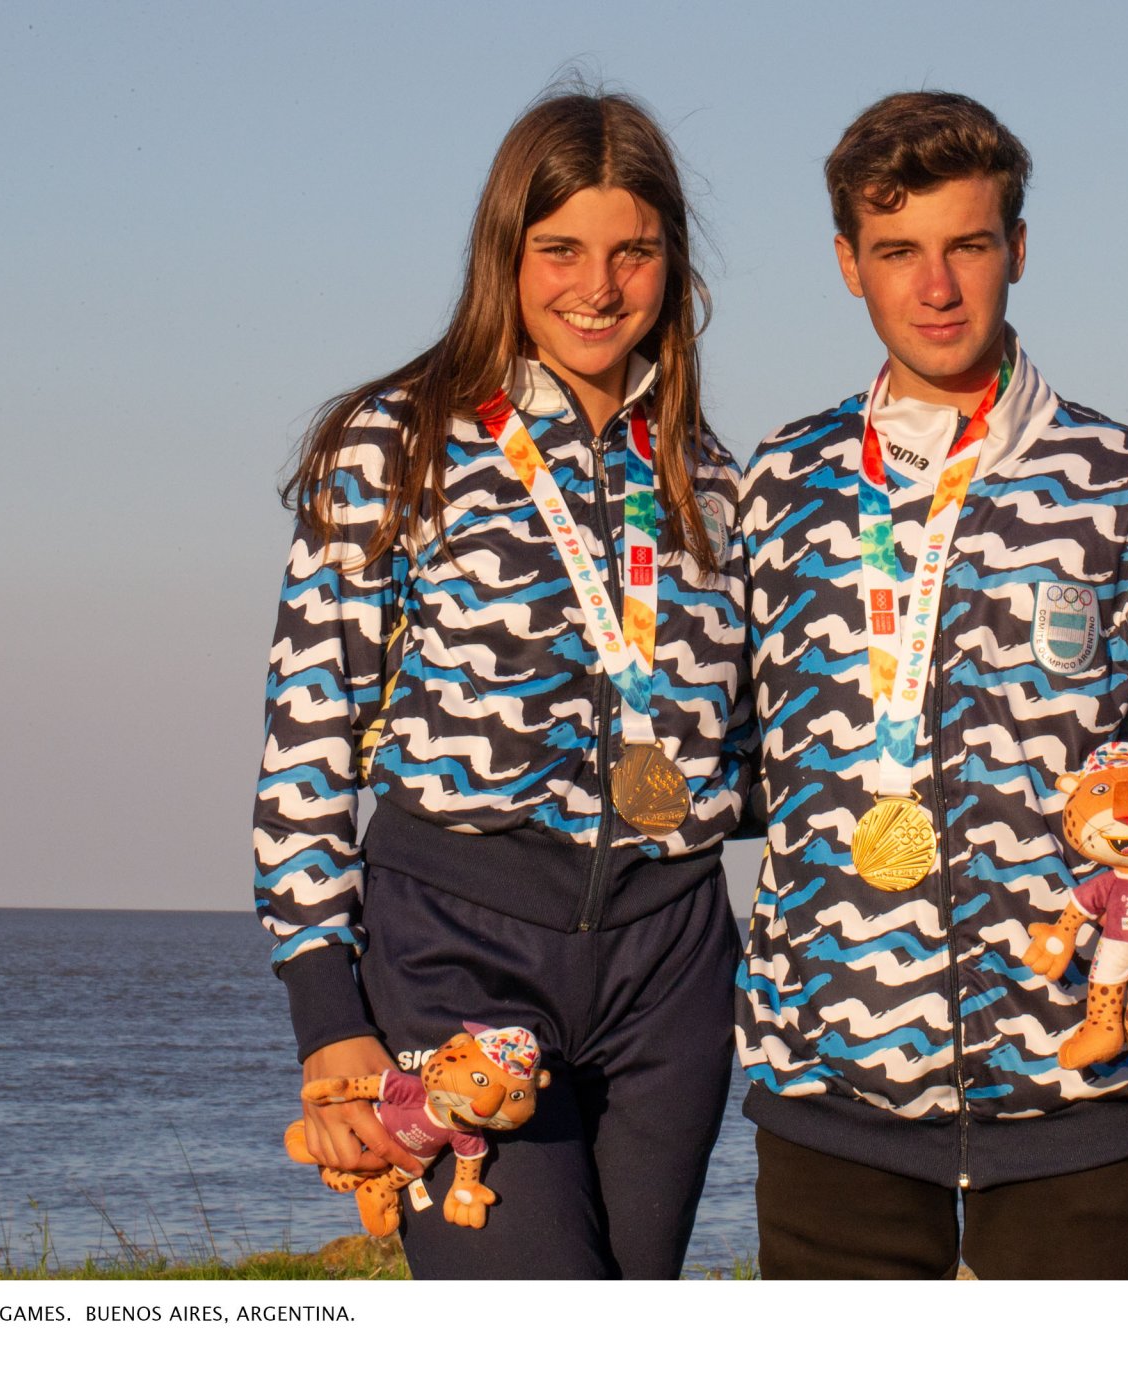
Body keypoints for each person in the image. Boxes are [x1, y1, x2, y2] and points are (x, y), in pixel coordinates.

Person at [735, 91, 1128, 1279]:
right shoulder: (781, 485)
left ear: (1017, 249)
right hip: (830, 1094)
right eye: (898, 253)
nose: (937, 288)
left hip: (1082, 1084)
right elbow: (722, 757)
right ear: (846, 266)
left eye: (968, 245)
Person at [253, 89, 751, 1280]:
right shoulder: (395, 442)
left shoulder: (709, 475)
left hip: (670, 967)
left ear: (671, 265)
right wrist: (330, 1016)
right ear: (506, 256)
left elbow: (747, 753)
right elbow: (307, 741)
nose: (599, 286)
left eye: (634, 250)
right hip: (459, 955)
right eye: (561, 250)